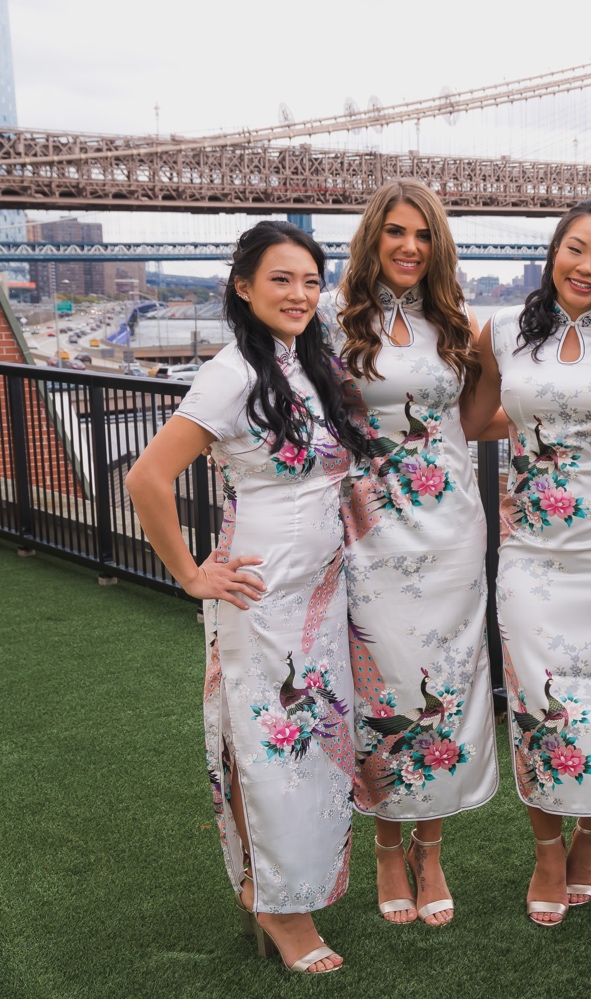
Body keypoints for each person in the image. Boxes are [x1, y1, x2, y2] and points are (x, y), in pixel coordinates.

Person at [125, 221, 371, 973]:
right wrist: (193, 573)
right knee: (270, 748)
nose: (299, 294)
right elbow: (146, 477)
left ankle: (292, 887)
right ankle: (275, 904)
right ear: (242, 286)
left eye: (309, 280)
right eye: (280, 280)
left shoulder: (308, 363)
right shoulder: (232, 372)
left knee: (317, 747)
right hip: (262, 590)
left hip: (320, 590)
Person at [467, 198, 591, 926]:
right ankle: (548, 847)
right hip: (532, 553)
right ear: (554, 252)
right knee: (536, 696)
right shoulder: (503, 337)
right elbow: (473, 419)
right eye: (575, 249)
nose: (586, 266)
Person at [332, 179, 499, 928]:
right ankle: (385, 843)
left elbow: (469, 423)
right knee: (384, 687)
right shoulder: (335, 330)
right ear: (374, 240)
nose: (408, 246)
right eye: (395, 232)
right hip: (370, 534)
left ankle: (430, 850)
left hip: (450, 534)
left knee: (448, 682)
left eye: (423, 235)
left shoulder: (459, 326)